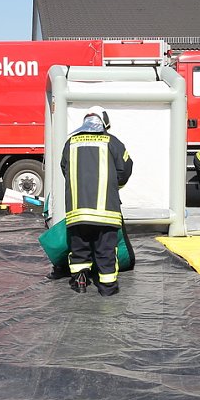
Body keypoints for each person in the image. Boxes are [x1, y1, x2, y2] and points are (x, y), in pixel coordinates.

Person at [60, 106, 133, 296]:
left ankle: (80, 282)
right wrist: (112, 185)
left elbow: (64, 169)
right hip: (106, 211)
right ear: (104, 122)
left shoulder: (70, 143)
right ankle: (107, 288)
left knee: (79, 249)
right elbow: (125, 169)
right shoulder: (112, 142)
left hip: (77, 211)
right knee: (106, 250)